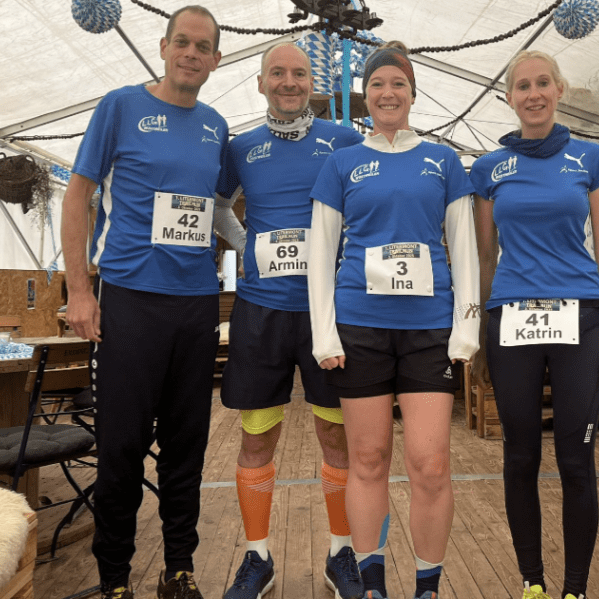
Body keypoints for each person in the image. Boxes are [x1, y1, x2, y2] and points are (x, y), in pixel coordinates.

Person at [61, 6, 225, 599]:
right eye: (182, 42)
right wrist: (80, 290)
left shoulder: (216, 127)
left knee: (187, 446)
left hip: (197, 305)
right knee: (122, 447)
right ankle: (114, 580)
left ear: (216, 59)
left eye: (202, 47)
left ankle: (178, 569)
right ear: (163, 46)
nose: (191, 53)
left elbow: (218, 210)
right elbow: (77, 196)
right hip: (129, 301)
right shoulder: (120, 106)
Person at [307, 42, 481, 599]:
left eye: (398, 84)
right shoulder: (342, 162)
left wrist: (467, 327)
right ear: (366, 95)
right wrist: (324, 333)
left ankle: (427, 588)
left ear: (412, 93)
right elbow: (320, 252)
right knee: (368, 458)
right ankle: (372, 586)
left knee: (430, 463)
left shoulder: (443, 161)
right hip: (360, 328)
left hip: (429, 330)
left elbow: (464, 247)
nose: (388, 93)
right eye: (378, 84)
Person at [468, 50, 599, 599]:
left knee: (575, 458)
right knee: (520, 456)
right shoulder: (489, 169)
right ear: (509, 97)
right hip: (511, 319)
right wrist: (479, 335)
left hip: (580, 319)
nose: (533, 94)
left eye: (543, 83)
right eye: (522, 86)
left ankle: (575, 589)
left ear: (560, 90)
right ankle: (532, 582)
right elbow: (485, 257)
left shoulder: (591, 158)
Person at [213, 42, 365, 599]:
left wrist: (345, 256)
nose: (288, 82)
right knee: (257, 437)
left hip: (328, 312)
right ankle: (257, 558)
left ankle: (341, 552)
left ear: (311, 83)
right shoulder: (241, 147)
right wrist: (246, 245)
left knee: (336, 437)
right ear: (261, 82)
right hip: (261, 311)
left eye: (298, 73)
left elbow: (367, 204)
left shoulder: (344, 141)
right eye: (277, 73)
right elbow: (216, 206)